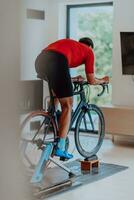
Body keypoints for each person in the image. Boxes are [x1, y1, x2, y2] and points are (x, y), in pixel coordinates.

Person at [35, 37, 109, 159]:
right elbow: (91, 80)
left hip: (40, 60)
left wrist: (73, 79)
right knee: (68, 105)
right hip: (57, 61)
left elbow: (59, 75)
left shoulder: (71, 46)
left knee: (58, 94)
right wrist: (103, 81)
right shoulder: (89, 51)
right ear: (90, 47)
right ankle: (60, 147)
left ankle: (51, 116)